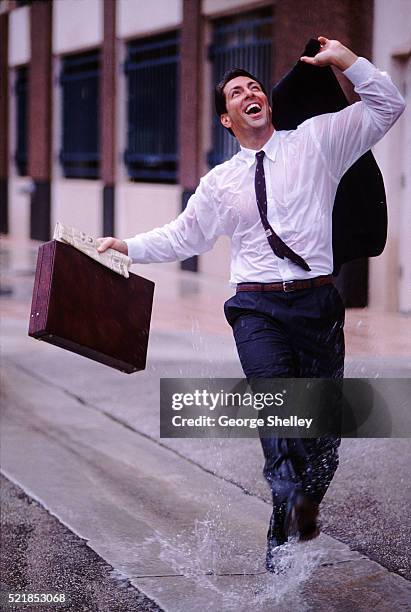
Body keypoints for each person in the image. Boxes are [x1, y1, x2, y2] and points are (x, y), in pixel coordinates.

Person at [98, 37, 405, 571]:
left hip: (317, 305)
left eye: (255, 87)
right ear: (226, 119)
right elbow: (183, 236)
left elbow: (388, 105)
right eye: (237, 92)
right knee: (278, 407)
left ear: (268, 103)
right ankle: (283, 518)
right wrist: (126, 247)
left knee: (323, 439)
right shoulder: (220, 183)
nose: (249, 93)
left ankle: (297, 507)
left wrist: (346, 61)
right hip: (256, 309)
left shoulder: (318, 142)